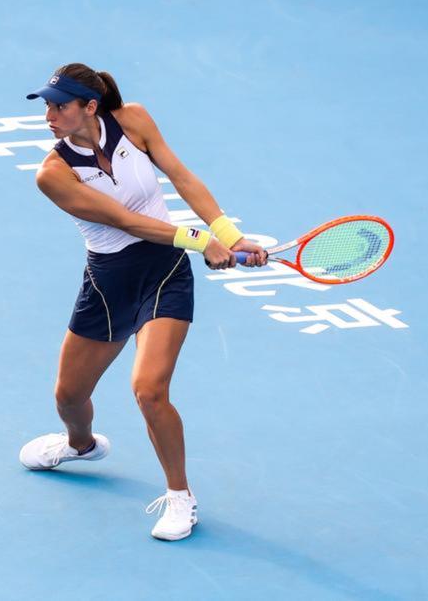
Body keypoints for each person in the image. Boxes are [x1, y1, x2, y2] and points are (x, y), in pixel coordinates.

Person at [19, 63, 267, 540]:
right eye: (47, 105)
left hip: (164, 272)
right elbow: (124, 221)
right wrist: (200, 241)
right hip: (109, 285)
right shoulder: (52, 174)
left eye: (59, 105)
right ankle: (81, 445)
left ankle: (180, 497)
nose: (49, 114)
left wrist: (230, 235)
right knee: (69, 397)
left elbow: (182, 176)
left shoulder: (133, 121)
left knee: (149, 390)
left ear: (90, 107)